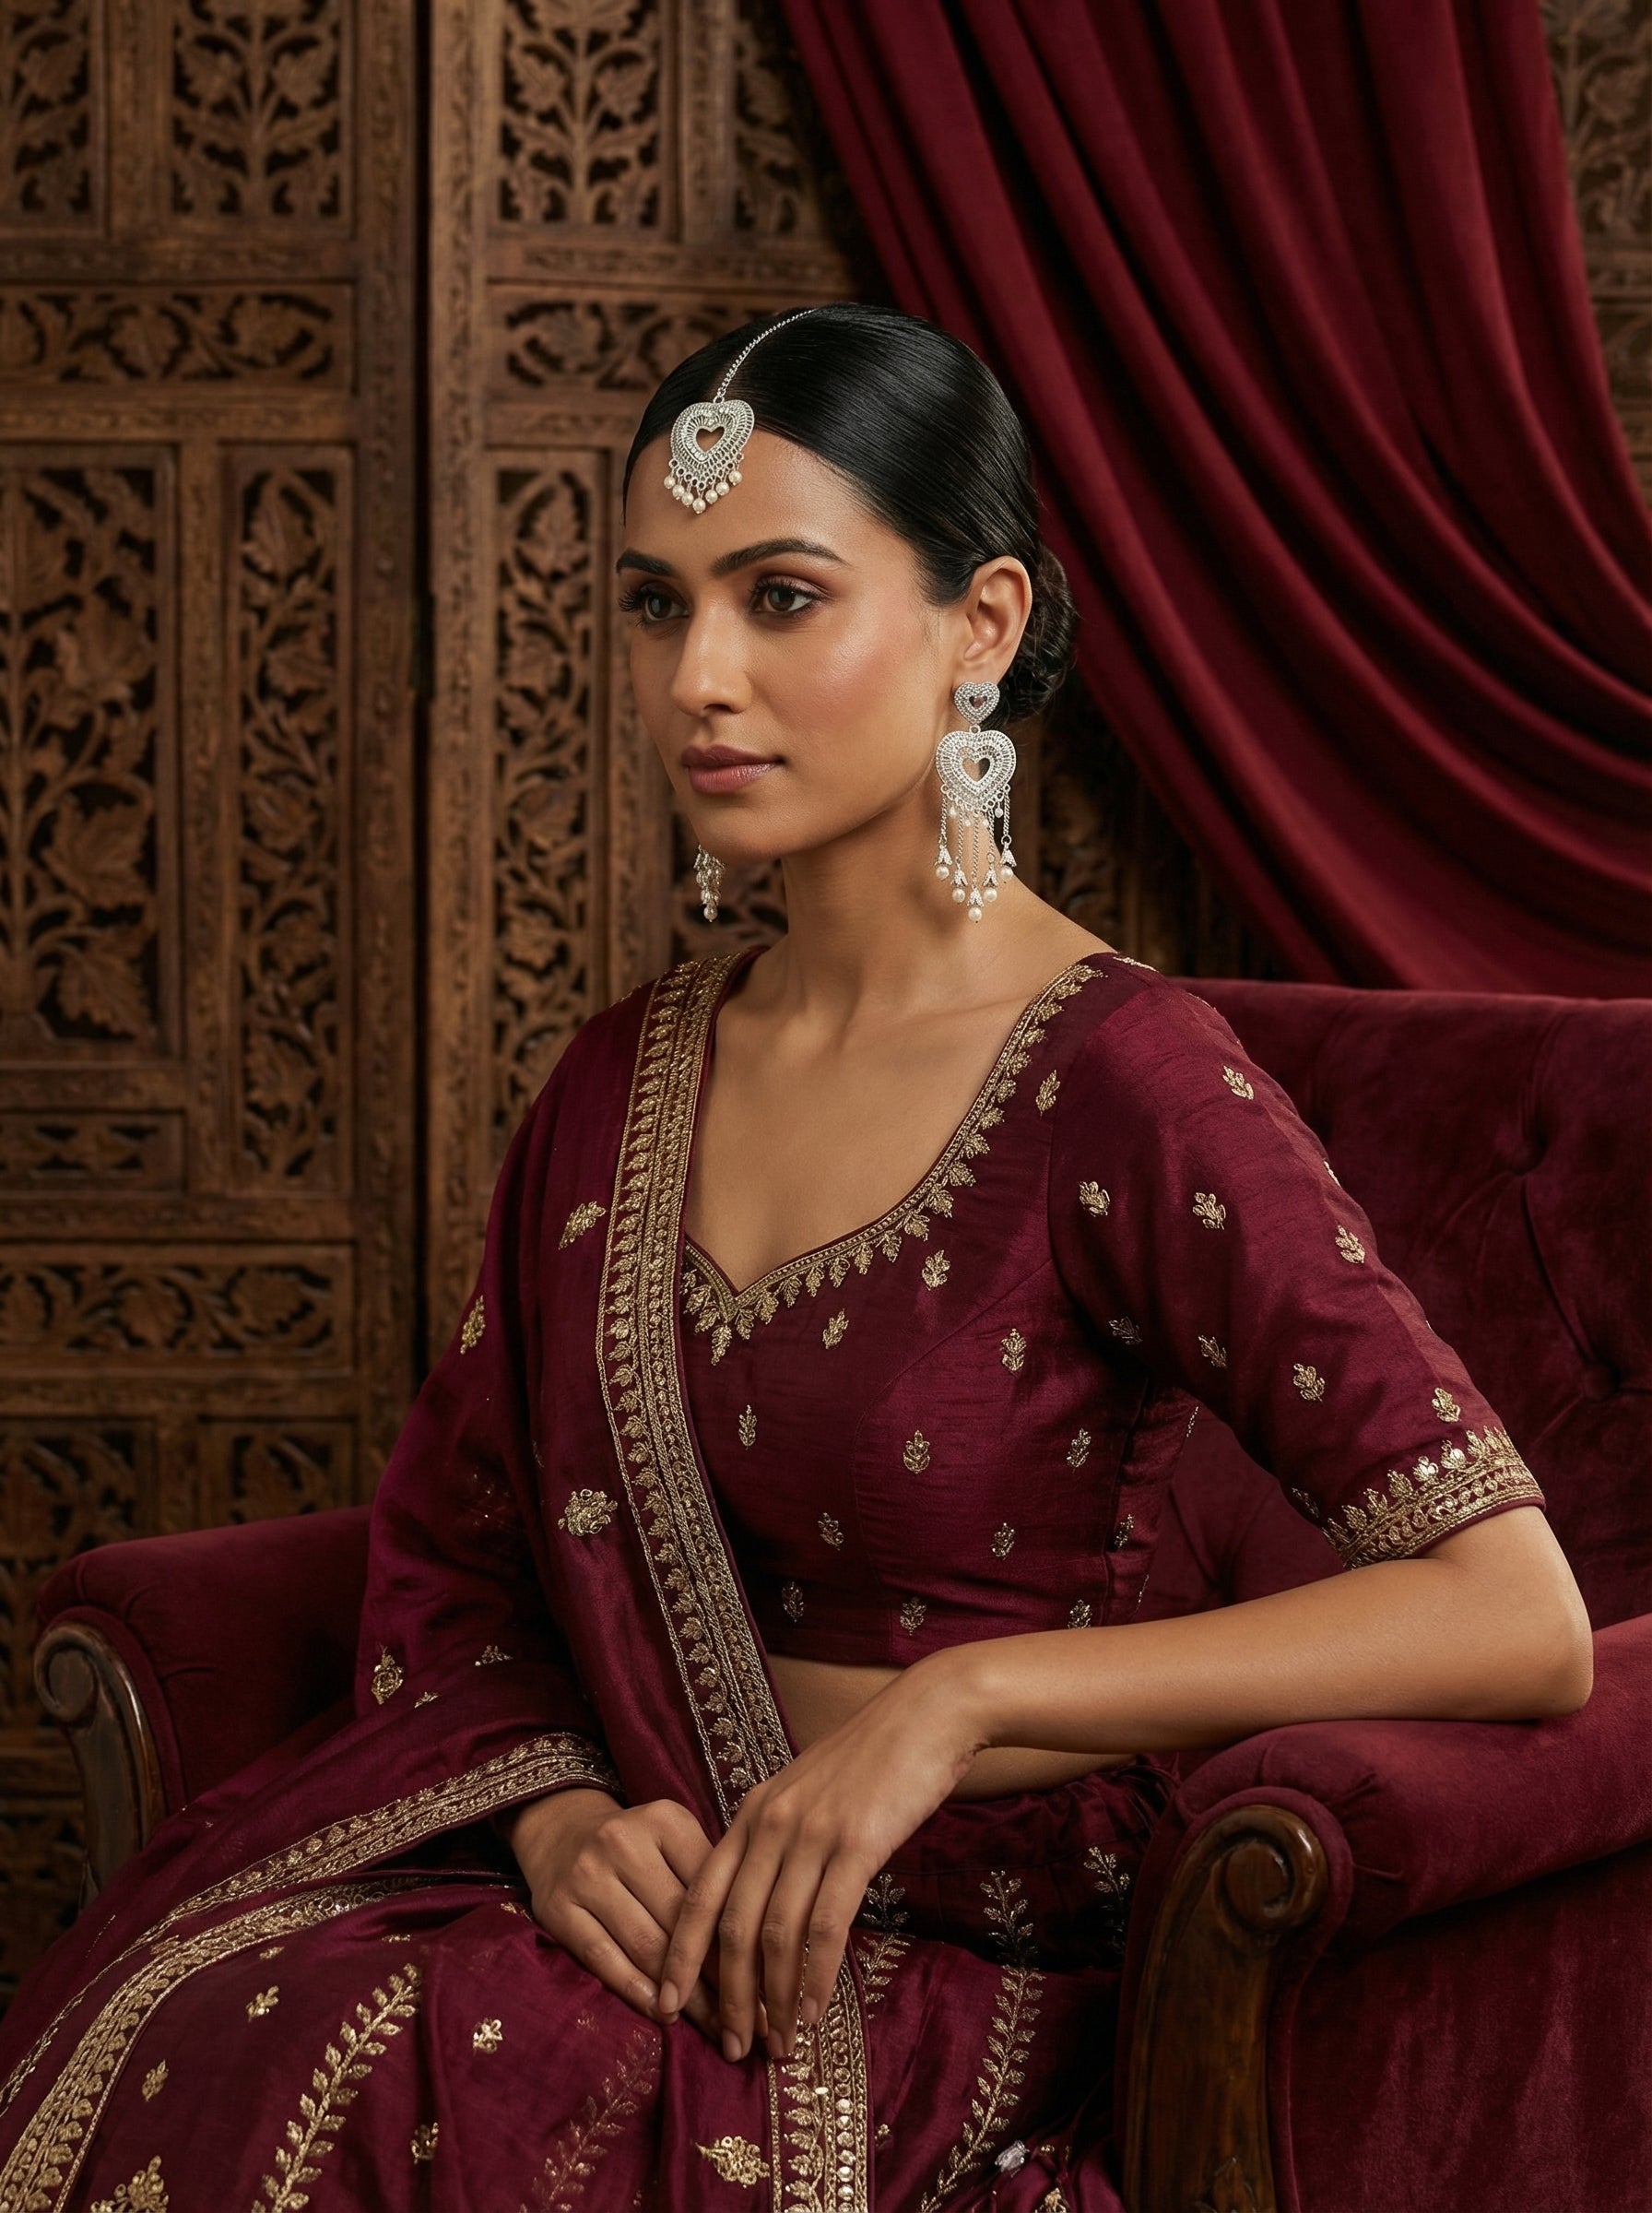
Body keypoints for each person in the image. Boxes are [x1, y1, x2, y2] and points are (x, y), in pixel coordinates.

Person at [0, 303, 1591, 2212]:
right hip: (644, 1898)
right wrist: (564, 1814)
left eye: (778, 596)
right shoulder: (618, 1082)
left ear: (976, 630)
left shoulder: (1123, 1081)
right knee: (224, 2027)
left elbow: (1515, 1616)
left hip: (951, 1952)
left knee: (411, 2101)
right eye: (660, 607)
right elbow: (460, 1554)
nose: (698, 677)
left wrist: (956, 1709)